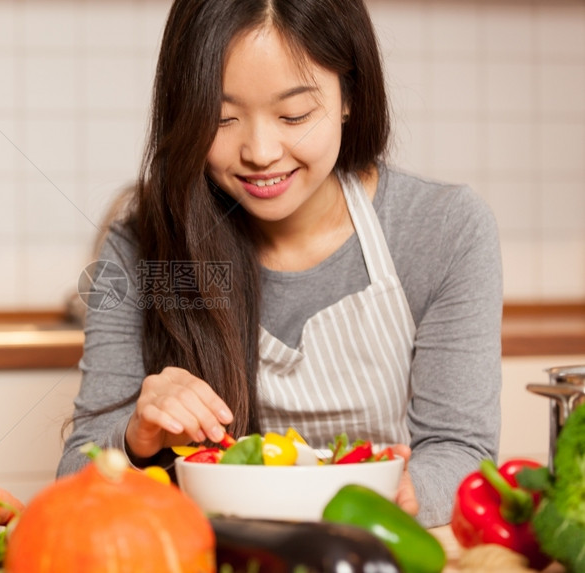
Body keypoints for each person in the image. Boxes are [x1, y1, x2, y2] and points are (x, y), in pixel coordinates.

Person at [57, 0, 502, 528]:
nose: (261, 151)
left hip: (372, 545)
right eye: (221, 118)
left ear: (350, 96)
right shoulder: (139, 245)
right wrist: (136, 435)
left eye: (294, 115)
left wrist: (403, 492)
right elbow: (73, 471)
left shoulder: (444, 228)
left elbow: (461, 450)